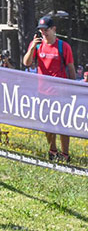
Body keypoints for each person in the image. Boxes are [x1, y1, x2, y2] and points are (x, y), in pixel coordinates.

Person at [23, 15, 75, 162]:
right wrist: (32, 47)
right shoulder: (37, 45)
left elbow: (71, 68)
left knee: (64, 124)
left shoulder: (63, 46)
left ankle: (65, 154)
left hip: (62, 92)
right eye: (41, 30)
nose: (43, 33)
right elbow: (27, 62)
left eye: (46, 30)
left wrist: (73, 89)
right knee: (47, 124)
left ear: (53, 29)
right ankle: (52, 151)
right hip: (43, 92)